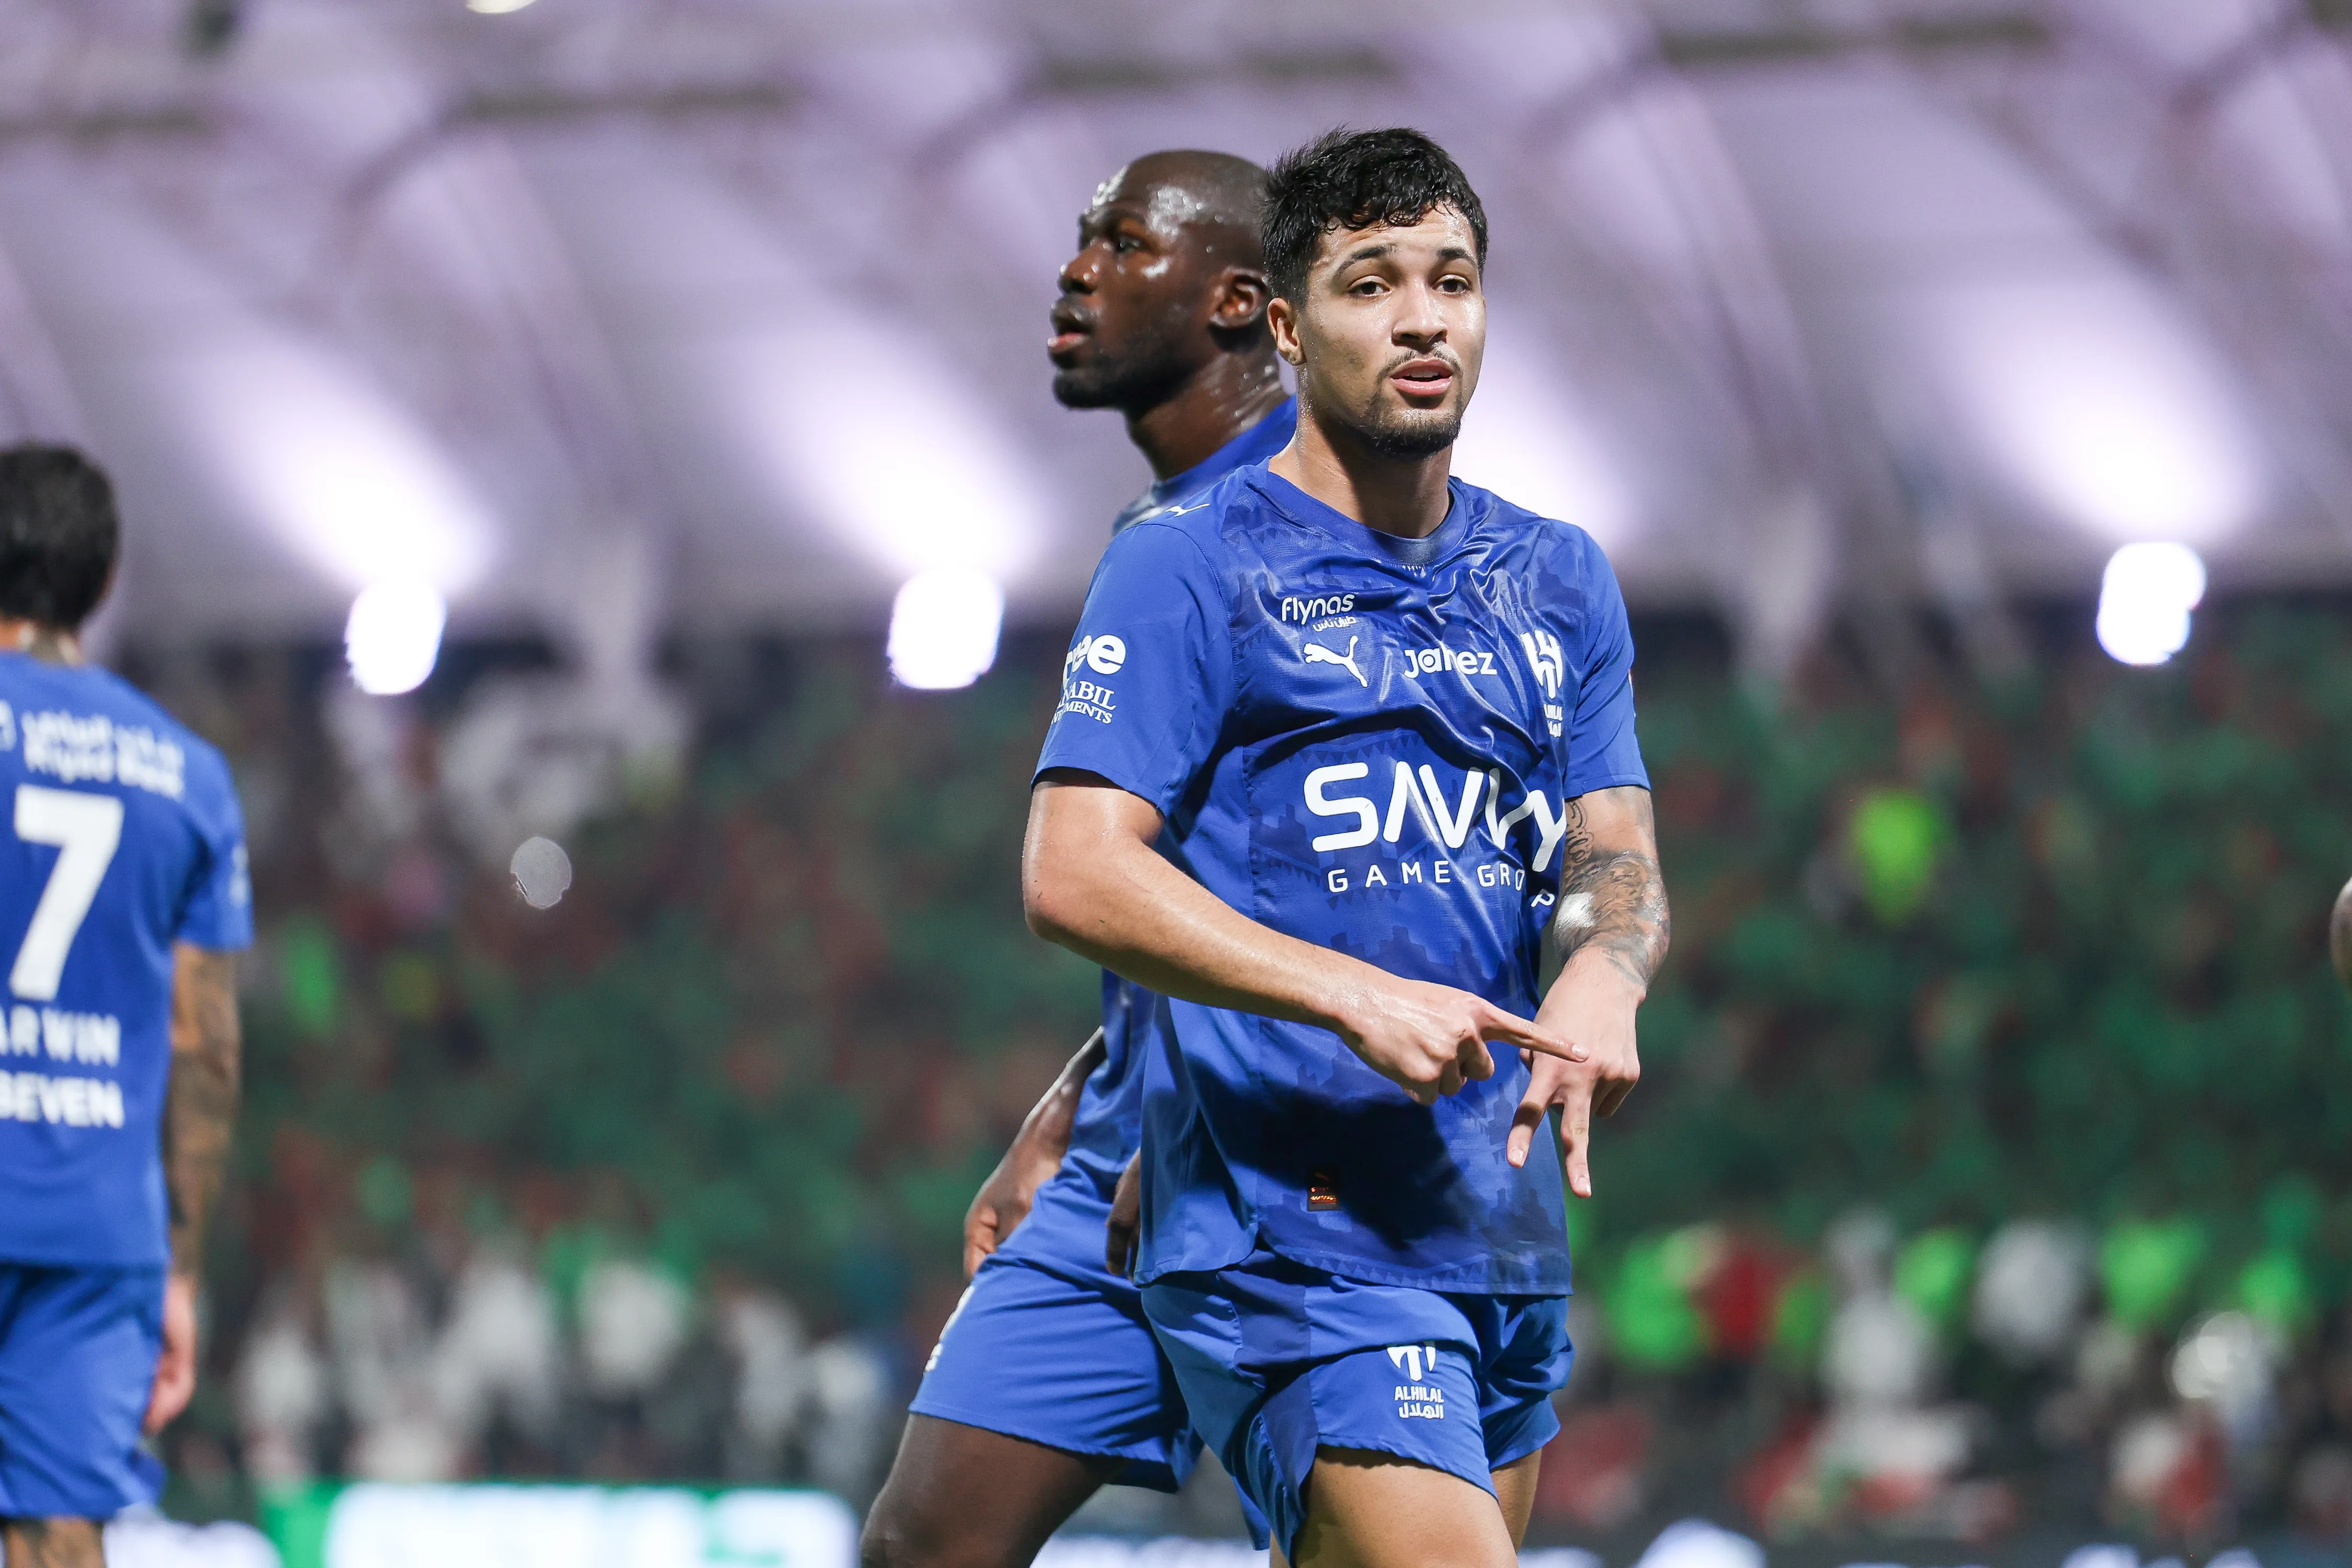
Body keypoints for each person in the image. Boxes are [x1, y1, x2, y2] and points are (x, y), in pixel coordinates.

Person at [1020, 128, 1670, 1568]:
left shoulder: (1558, 575)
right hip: (1291, 1231)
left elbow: (1612, 846)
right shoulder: (1193, 558)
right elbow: (1073, 868)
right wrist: (1350, 992)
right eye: (1373, 284)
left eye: (1453, 280)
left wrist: (1606, 975)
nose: (1425, 317)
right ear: (1290, 324)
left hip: (1494, 1233)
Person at [860, 150, 1295, 1568]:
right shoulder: (1167, 533)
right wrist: (1081, 1094)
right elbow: (1217, 871)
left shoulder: (1323, 534)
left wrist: (1232, 1113)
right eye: (1082, 239)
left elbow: (1376, 883)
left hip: (1300, 1163)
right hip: (1132, 1148)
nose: (1075, 270)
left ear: (1238, 301)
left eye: (1121, 243)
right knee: (923, 1546)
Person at [0, 445, 249, 1568]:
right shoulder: (186, 773)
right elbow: (207, 1045)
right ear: (103, 585)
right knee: (60, 1536)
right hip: (101, 1232)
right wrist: (182, 1269)